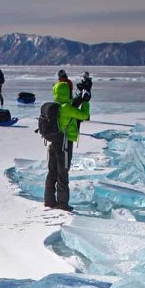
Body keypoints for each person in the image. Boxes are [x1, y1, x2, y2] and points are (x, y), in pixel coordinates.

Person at [43, 78, 90, 212]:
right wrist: (86, 102)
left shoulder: (56, 107)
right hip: (64, 144)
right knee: (63, 173)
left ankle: (49, 201)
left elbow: (72, 105)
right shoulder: (66, 108)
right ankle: (63, 204)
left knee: (52, 172)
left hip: (53, 143)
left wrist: (79, 98)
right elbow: (85, 116)